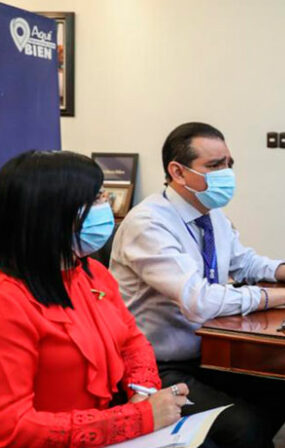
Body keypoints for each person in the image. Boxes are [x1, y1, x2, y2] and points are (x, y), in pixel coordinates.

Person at [109, 122, 285, 448]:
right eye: (214, 165)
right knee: (244, 426)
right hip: (156, 366)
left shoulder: (211, 214)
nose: (226, 174)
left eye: (228, 164)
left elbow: (245, 262)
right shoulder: (149, 223)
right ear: (178, 172)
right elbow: (198, 300)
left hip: (208, 352)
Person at [0, 151, 189, 448]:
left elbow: (132, 342)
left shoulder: (92, 273)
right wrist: (137, 418)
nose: (107, 206)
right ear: (52, 212)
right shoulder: (8, 301)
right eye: (97, 198)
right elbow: (13, 428)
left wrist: (141, 392)